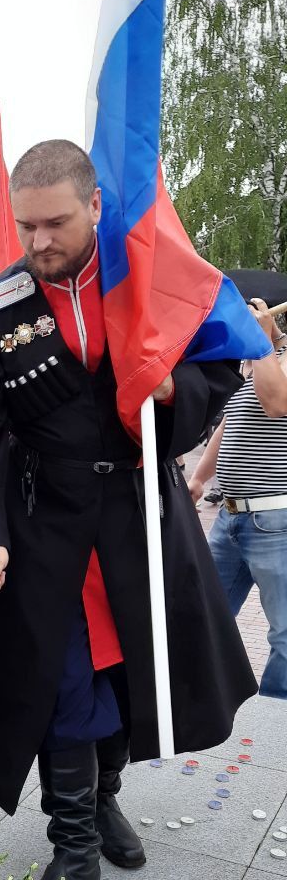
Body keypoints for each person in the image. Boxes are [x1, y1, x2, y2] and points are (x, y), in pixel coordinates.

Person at [0, 139, 257, 880]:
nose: (39, 243)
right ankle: (72, 845)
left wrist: (165, 387)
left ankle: (105, 797)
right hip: (46, 527)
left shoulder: (148, 279)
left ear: (96, 207)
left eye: (56, 223)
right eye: (27, 227)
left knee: (129, 674)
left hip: (141, 513)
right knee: (63, 683)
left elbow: (216, 370)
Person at [188, 296, 287, 698]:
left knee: (285, 633)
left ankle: (272, 720)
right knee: (206, 617)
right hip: (230, 517)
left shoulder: (268, 358)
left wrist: (265, 344)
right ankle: (201, 704)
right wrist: (197, 479)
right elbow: (233, 421)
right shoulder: (266, 357)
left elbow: (276, 403)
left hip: (275, 519)